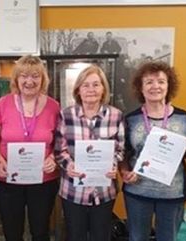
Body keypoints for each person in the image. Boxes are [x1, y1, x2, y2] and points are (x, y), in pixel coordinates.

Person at [119, 61, 186, 241]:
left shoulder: (183, 117)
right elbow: (124, 154)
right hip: (138, 191)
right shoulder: (131, 119)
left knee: (168, 238)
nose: (155, 86)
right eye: (149, 82)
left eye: (161, 81)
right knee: (137, 237)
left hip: (173, 192)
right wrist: (125, 172)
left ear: (168, 86)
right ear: (140, 88)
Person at [0, 55, 60, 241]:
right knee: (12, 233)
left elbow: (60, 142)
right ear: (16, 79)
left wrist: (52, 157)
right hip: (8, 180)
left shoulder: (54, 107)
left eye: (35, 75)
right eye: (24, 76)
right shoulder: (2, 104)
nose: (30, 81)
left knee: (41, 231)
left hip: (43, 181)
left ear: (43, 79)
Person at [54, 65, 125, 241]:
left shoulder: (116, 116)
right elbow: (59, 150)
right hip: (73, 190)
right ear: (78, 89)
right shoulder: (66, 115)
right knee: (75, 235)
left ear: (103, 89)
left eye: (96, 84)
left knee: (101, 236)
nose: (91, 90)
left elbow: (121, 149)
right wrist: (68, 166)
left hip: (104, 191)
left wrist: (113, 164)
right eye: (85, 85)